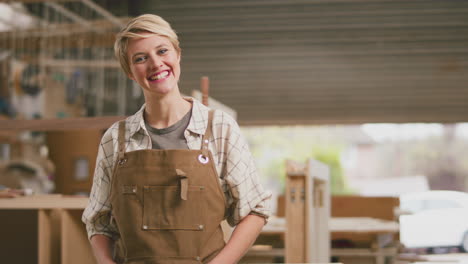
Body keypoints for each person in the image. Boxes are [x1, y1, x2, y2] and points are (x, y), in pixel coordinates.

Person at [82, 14, 271, 264]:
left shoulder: (219, 128)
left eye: (162, 51)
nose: (156, 63)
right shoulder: (116, 139)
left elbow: (255, 210)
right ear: (129, 71)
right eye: (141, 58)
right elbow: (99, 222)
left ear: (178, 54)